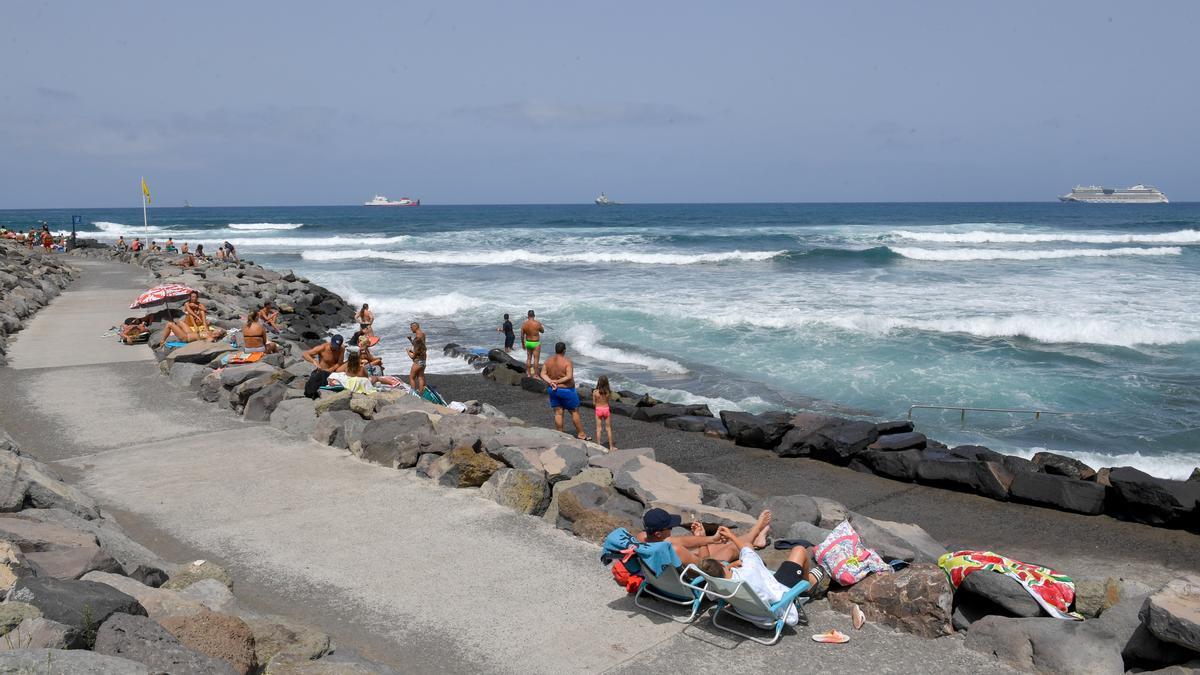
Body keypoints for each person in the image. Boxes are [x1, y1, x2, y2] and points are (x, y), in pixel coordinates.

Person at [696, 513, 826, 627]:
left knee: (778, 569)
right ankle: (807, 585)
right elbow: (747, 548)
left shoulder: (717, 584)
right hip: (777, 601)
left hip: (748, 608)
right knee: (799, 550)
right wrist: (731, 536)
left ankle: (760, 537)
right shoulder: (749, 571)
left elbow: (724, 575)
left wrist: (730, 567)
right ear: (723, 566)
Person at [636, 508, 742, 568]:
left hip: (663, 584)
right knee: (730, 548)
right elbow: (707, 567)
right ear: (658, 534)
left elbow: (675, 541)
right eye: (670, 527)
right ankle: (756, 533)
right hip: (693, 585)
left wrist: (712, 539)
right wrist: (702, 538)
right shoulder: (675, 550)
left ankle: (756, 536)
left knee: (716, 545)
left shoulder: (641, 539)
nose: (672, 529)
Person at [540, 341, 589, 440]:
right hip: (567, 390)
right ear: (564, 350)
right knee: (574, 412)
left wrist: (551, 382)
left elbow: (542, 374)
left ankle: (560, 434)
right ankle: (581, 434)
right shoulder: (567, 362)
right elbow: (569, 376)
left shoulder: (548, 361)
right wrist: (557, 382)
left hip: (553, 390)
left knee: (558, 412)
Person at [593, 375, 616, 451]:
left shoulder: (595, 392)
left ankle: (599, 445)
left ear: (599, 382)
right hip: (606, 409)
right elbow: (609, 401)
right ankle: (611, 447)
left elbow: (593, 403)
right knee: (608, 428)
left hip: (598, 410)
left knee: (599, 428)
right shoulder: (608, 392)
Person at [521, 310, 545, 376]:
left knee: (529, 358)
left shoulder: (524, 324)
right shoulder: (537, 323)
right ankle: (535, 375)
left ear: (528, 316)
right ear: (534, 315)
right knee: (536, 359)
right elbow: (542, 331)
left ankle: (528, 374)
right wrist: (540, 325)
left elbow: (522, 336)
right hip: (536, 343)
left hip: (528, 342)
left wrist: (523, 344)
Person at [407, 322, 427, 394]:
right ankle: (421, 393)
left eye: (411, 327)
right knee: (420, 377)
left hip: (417, 361)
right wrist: (410, 340)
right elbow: (419, 346)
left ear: (415, 327)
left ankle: (413, 394)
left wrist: (408, 352)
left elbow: (413, 356)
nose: (411, 329)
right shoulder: (422, 335)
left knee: (412, 377)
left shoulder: (417, 337)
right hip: (423, 359)